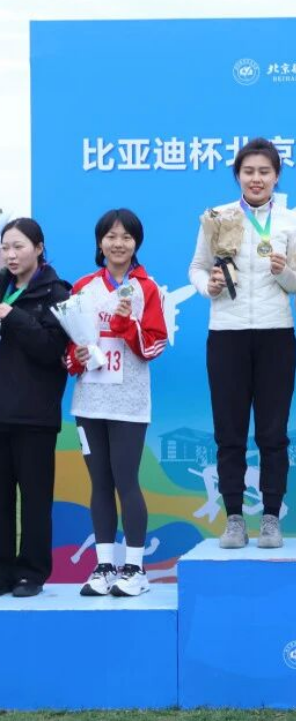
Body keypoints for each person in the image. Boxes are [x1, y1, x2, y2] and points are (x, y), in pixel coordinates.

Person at [188, 137, 296, 549]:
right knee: (230, 432)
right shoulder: (218, 217)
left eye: (264, 172)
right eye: (249, 171)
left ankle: (271, 517)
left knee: (273, 433)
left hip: (276, 334)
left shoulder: (291, 221)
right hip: (227, 334)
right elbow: (197, 267)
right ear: (237, 175)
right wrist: (207, 286)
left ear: (276, 176)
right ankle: (234, 518)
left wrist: (284, 271)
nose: (257, 178)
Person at [66, 209, 167, 596]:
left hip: (129, 403)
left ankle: (135, 570)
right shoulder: (83, 287)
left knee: (127, 481)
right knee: (100, 484)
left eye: (126, 237)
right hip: (89, 402)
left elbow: (153, 346)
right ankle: (105, 566)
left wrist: (127, 324)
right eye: (111, 236)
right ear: (100, 242)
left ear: (136, 243)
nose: (118, 243)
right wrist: (76, 357)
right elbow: (70, 349)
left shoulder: (146, 288)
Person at [0, 218, 70, 597]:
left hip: (34, 416)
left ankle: (31, 572)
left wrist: (13, 317)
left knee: (35, 500)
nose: (11, 255)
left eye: (19, 247)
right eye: (5, 247)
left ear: (39, 248)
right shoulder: (1, 286)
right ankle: (2, 572)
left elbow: (52, 350)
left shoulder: (56, 293)